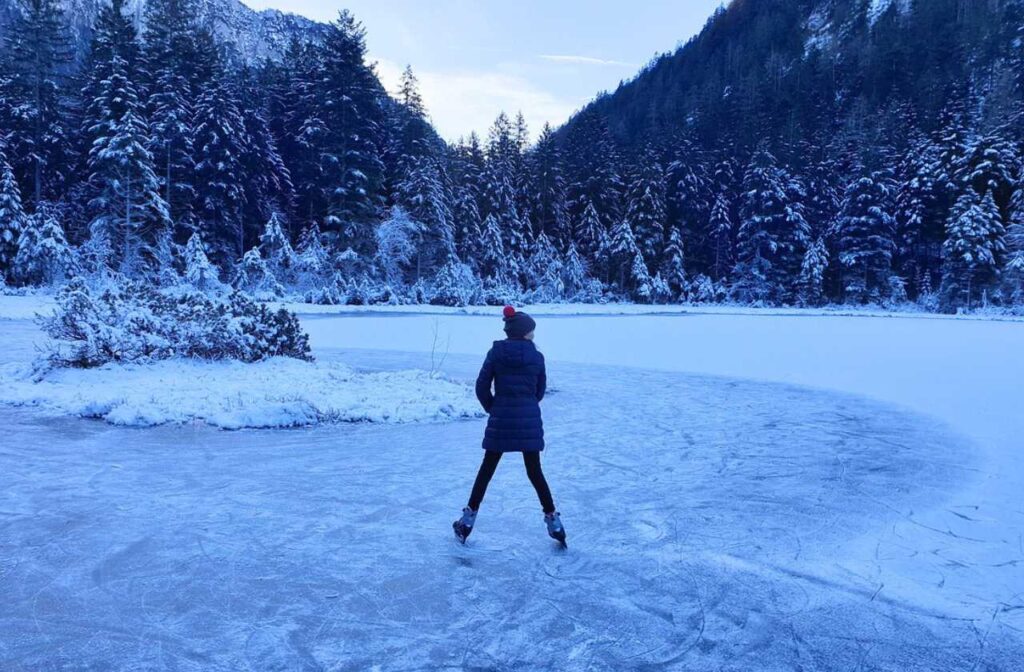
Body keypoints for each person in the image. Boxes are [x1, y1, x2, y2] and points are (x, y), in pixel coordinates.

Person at [453, 306, 566, 547]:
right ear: (524, 333)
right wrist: (525, 405)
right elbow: (539, 392)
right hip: (528, 421)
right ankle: (554, 523)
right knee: (535, 472)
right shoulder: (537, 357)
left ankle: (467, 521)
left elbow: (481, 386)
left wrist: (494, 408)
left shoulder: (495, 353)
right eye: (531, 332)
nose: (533, 335)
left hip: (501, 420)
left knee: (487, 470)